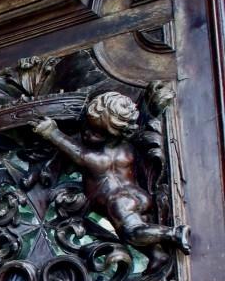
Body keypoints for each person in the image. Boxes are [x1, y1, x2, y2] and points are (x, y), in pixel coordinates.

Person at [33, 91, 190, 253]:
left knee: (131, 232)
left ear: (113, 136)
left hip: (118, 202)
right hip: (139, 196)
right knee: (139, 229)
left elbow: (78, 153)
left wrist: (51, 132)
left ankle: (173, 233)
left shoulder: (97, 160)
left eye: (95, 133)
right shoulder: (126, 148)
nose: (86, 133)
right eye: (87, 125)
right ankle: (157, 256)